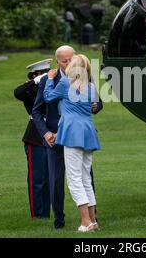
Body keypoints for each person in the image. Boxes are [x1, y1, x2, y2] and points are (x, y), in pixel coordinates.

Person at [32, 45, 102, 229]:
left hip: (69, 134)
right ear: (58, 62)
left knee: (75, 179)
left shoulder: (62, 82)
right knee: (81, 178)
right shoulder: (90, 84)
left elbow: (48, 97)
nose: (69, 63)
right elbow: (37, 111)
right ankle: (85, 221)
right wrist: (46, 133)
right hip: (85, 133)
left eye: (72, 60)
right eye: (66, 60)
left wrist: (49, 80)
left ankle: (86, 221)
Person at [13, 59, 51, 219]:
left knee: (50, 178)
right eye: (41, 75)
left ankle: (47, 212)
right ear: (34, 75)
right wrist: (34, 81)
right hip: (35, 135)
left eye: (45, 74)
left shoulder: (52, 86)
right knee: (37, 178)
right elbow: (17, 92)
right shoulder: (30, 90)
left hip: (52, 134)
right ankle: (38, 214)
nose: (45, 77)